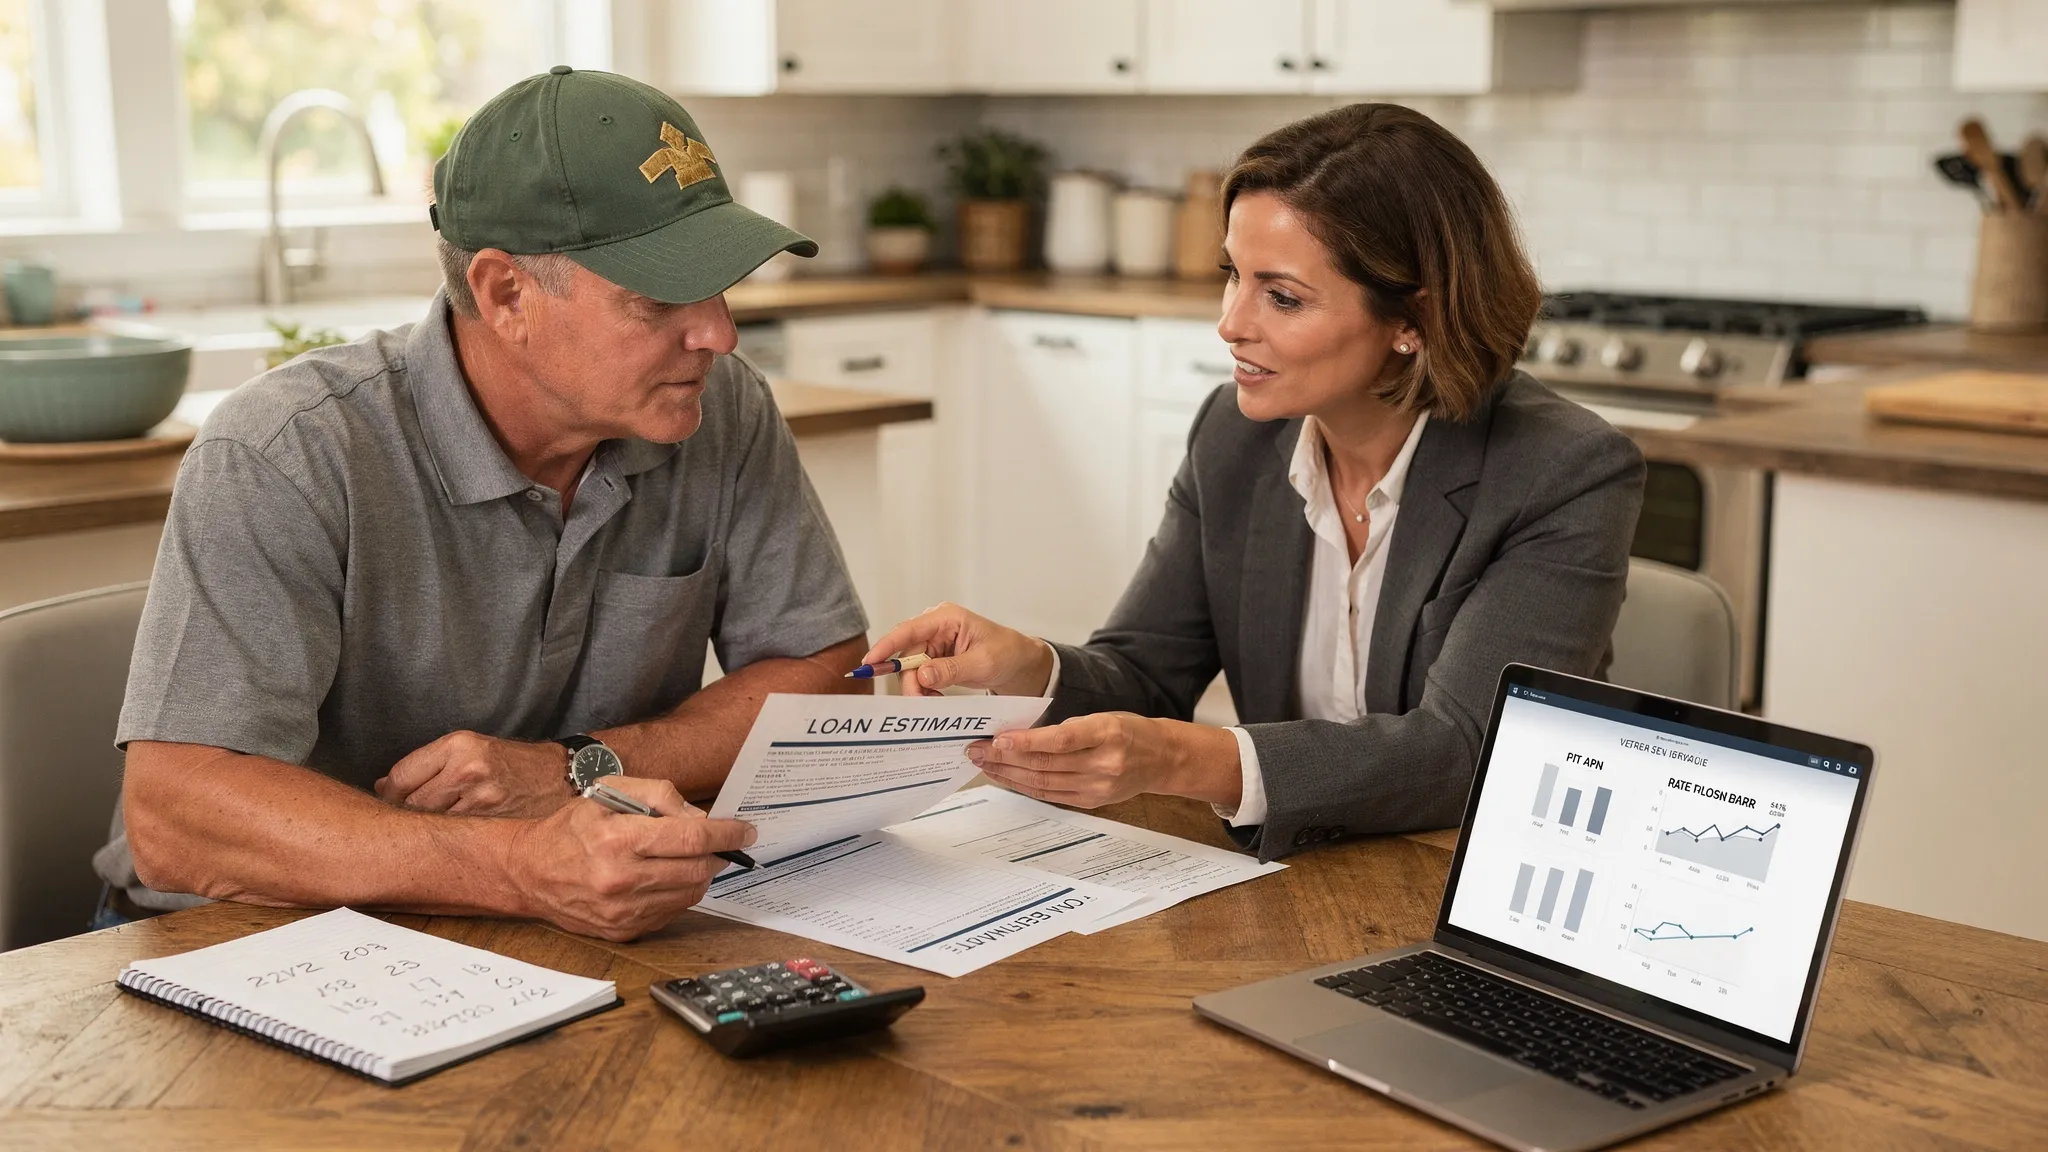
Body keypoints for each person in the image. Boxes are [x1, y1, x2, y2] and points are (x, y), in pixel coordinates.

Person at [96, 68, 870, 941]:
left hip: (539, 927)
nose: (719, 334)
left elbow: (824, 668)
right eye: (658, 299)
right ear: (507, 295)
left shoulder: (720, 410)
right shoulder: (285, 453)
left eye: (722, 283)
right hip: (245, 934)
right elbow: (176, 815)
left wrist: (581, 769)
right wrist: (521, 866)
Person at [864, 104, 1646, 861]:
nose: (1232, 323)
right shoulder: (1235, 437)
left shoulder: (1561, 470)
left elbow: (1465, 750)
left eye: (1282, 296)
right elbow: (1146, 677)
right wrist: (1026, 664)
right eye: (1231, 276)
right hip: (1294, 874)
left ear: (1416, 319)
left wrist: (1186, 760)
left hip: (1460, 887)